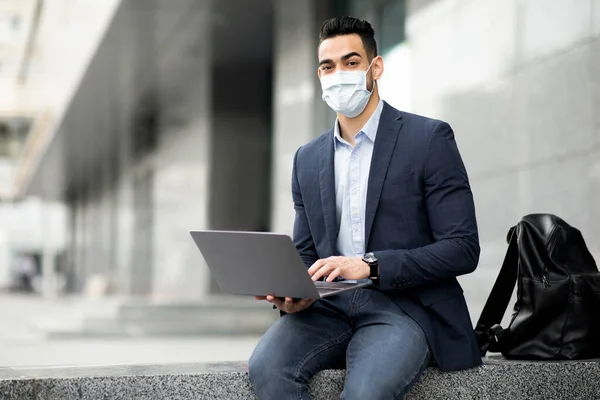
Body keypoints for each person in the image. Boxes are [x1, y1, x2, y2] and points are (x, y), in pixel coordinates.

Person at [249, 16, 481, 399]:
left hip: (403, 308)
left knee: (365, 393)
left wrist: (370, 265)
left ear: (376, 67)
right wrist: (294, 292)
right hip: (327, 308)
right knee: (267, 368)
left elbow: (462, 248)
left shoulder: (428, 139)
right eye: (328, 66)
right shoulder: (307, 158)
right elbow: (306, 251)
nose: (338, 74)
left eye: (351, 62)